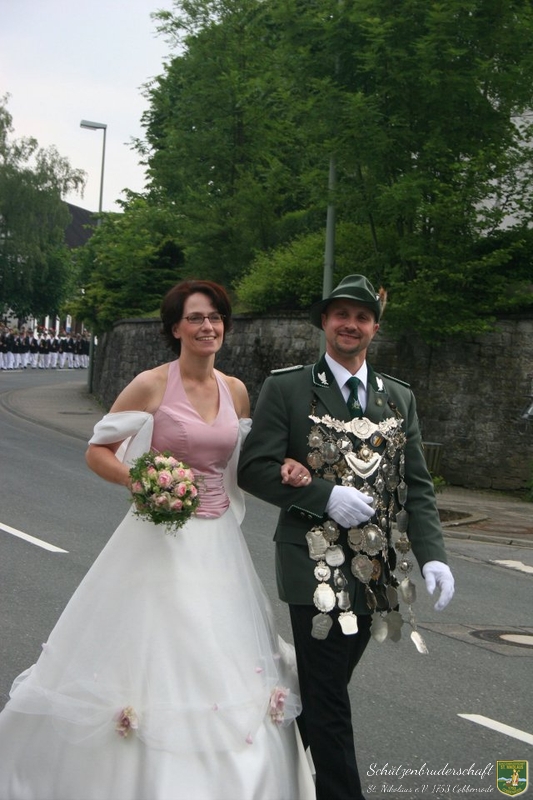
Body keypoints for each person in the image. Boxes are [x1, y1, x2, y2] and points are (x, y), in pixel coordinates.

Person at [0, 280, 315, 800]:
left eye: (215, 317)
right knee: (165, 648)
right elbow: (98, 451)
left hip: (219, 543)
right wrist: (145, 482)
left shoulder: (235, 390)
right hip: (160, 539)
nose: (208, 326)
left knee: (218, 649)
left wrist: (286, 466)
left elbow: (242, 461)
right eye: (196, 318)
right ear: (175, 328)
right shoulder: (150, 384)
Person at [238, 274, 455, 800]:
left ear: (375, 328)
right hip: (312, 564)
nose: (350, 325)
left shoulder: (398, 397)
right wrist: (323, 496)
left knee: (323, 691)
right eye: (341, 315)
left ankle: (257, 775)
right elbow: (254, 469)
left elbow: (416, 485)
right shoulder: (288, 388)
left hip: (376, 570)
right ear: (324, 322)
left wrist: (433, 555)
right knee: (330, 697)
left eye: (362, 317)